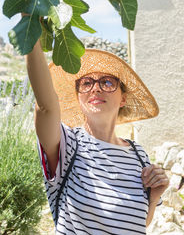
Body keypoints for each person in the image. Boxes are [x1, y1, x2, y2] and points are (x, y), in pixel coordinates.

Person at [26, 39, 169, 235]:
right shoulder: (68, 144)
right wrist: (30, 28)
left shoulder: (138, 154)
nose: (95, 88)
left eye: (107, 82)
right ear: (78, 97)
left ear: (123, 99)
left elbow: (136, 223)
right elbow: (45, 107)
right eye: (86, 83)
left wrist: (153, 198)